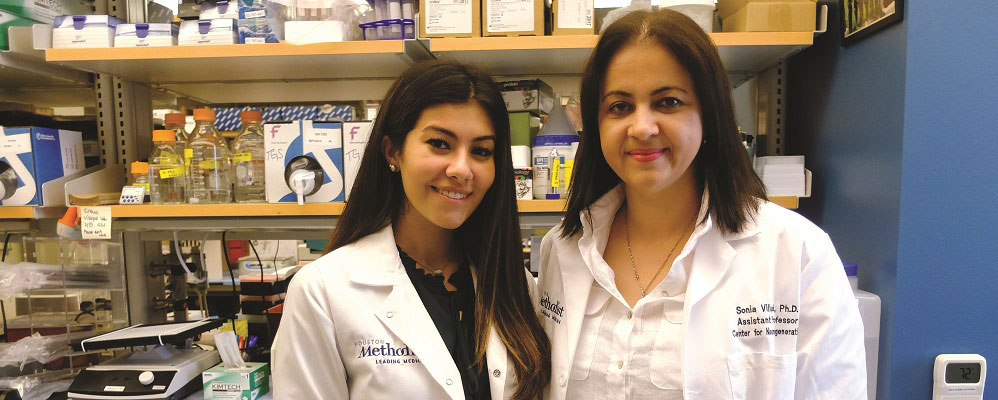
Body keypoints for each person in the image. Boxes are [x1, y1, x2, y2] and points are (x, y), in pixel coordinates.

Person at [536, 9, 867, 400]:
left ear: (709, 115)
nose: (642, 127)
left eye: (668, 102)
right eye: (620, 107)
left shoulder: (796, 252)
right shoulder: (562, 249)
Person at [272, 60, 550, 400]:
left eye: (481, 151)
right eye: (440, 144)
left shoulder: (514, 285)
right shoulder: (323, 291)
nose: (462, 169)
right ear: (393, 151)